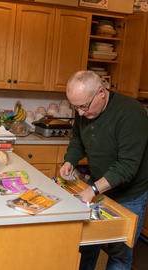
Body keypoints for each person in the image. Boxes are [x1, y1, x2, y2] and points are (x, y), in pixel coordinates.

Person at [60, 70, 148, 270]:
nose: (80, 113)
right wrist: (70, 161)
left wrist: (93, 190)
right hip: (100, 185)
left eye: (83, 107)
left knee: (119, 254)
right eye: (76, 108)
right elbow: (77, 139)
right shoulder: (84, 107)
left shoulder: (131, 113)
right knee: (88, 243)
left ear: (101, 92)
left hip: (129, 194)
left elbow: (127, 166)